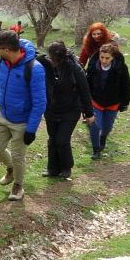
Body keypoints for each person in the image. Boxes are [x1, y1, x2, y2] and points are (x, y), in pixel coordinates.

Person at [0, 31, 46, 201]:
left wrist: (31, 129)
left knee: (19, 155)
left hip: (22, 120)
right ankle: (11, 168)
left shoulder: (34, 69)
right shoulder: (1, 61)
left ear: (7, 49)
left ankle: (18, 185)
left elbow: (40, 102)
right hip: (3, 114)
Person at [36, 41, 94, 179]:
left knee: (62, 139)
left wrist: (89, 113)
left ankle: (66, 167)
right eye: (50, 58)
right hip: (51, 108)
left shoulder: (74, 68)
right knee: (53, 139)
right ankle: (52, 169)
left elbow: (84, 90)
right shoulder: (43, 63)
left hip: (71, 109)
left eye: (54, 59)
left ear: (61, 58)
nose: (52, 61)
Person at [85, 44, 130, 159]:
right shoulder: (93, 66)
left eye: (107, 58)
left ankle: (103, 138)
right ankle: (96, 150)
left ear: (113, 58)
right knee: (95, 125)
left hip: (113, 103)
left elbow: (126, 86)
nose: (104, 61)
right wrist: (85, 101)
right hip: (96, 101)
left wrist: (125, 102)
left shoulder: (121, 68)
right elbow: (86, 83)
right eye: (102, 57)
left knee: (107, 127)